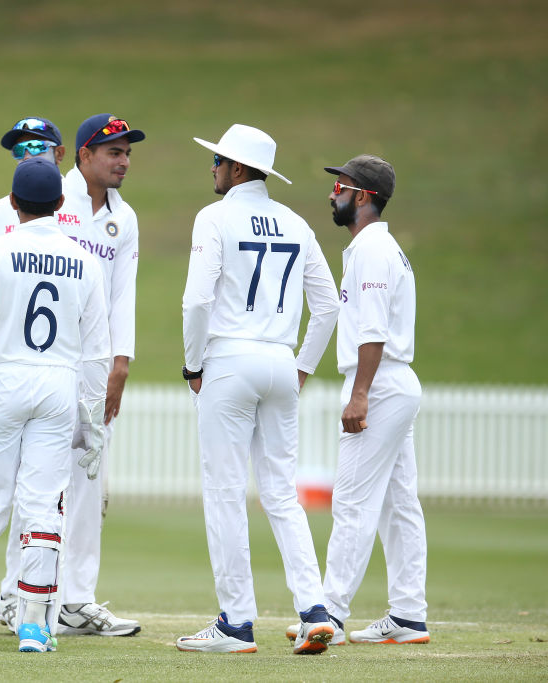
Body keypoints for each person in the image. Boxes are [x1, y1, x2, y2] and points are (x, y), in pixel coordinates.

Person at [0, 157, 110, 653]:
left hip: (0, 380)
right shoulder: (85, 259)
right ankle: (35, 623)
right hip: (57, 385)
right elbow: (98, 351)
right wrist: (94, 423)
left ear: (12, 204)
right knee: (43, 506)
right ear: (59, 203)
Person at [177, 124, 340, 654]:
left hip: (229, 358)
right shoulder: (295, 222)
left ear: (239, 169)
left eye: (220, 160)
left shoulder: (215, 217)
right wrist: (302, 368)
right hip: (278, 361)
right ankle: (314, 609)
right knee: (280, 492)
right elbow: (329, 307)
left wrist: (192, 365)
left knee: (225, 492)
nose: (214, 168)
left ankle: (236, 624)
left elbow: (198, 301)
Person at [0, 114, 144, 637]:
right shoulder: (54, 199)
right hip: (46, 361)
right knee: (32, 481)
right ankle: (14, 597)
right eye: (112, 151)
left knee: (87, 484)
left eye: (126, 152)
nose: (122, 160)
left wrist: (121, 362)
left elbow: (123, 295)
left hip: (95, 364)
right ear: (82, 156)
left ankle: (76, 600)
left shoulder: (126, 218)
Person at [317, 154, 429, 645]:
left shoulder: (373, 251)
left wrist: (359, 394)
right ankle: (408, 614)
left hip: (380, 384)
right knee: (398, 504)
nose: (331, 194)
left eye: (339, 186)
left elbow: (374, 331)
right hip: (392, 382)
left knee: (353, 502)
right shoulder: (371, 248)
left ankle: (330, 615)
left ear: (363, 196)